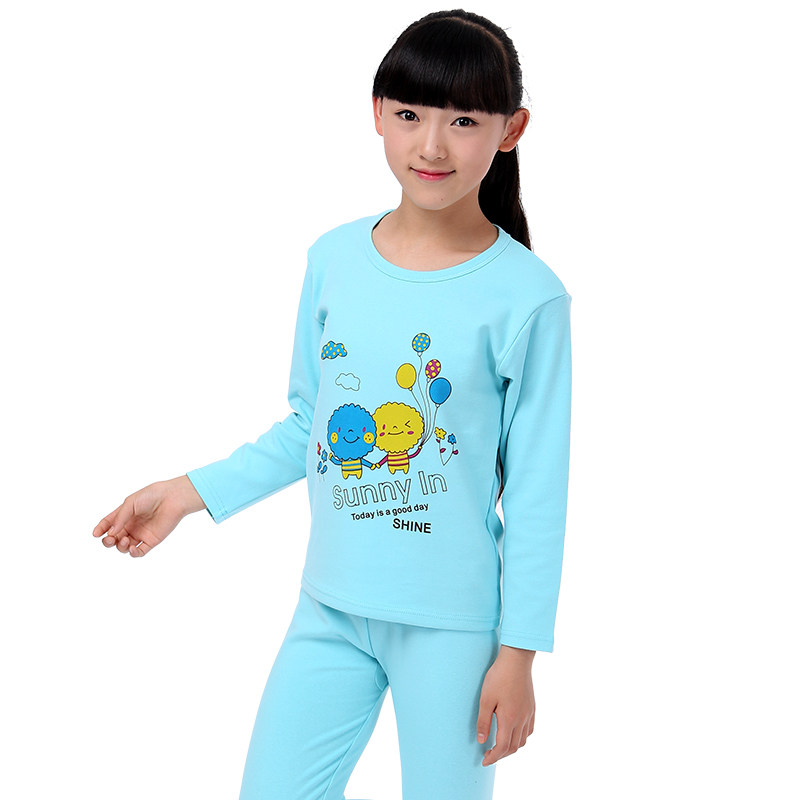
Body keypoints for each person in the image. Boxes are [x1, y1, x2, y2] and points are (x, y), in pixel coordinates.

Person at [92, 9, 572, 800]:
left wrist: (518, 655)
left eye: (463, 121)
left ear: (510, 129)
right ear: (377, 113)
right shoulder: (334, 259)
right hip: (329, 609)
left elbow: (537, 493)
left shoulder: (528, 297)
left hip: (452, 626)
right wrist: (185, 493)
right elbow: (308, 429)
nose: (432, 146)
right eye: (410, 114)